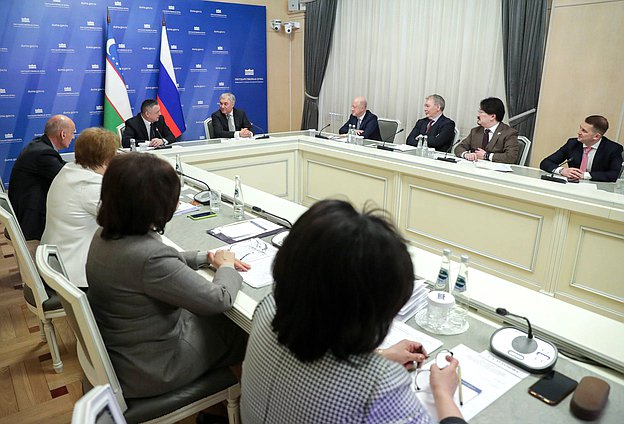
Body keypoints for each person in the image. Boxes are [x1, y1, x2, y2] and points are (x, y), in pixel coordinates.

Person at [241, 200, 466, 424]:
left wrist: (379, 356)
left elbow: (317, 353)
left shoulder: (266, 309)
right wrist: (443, 393)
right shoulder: (379, 386)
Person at [86, 153, 250, 398]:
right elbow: (219, 298)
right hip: (154, 368)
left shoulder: (105, 234)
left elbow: (156, 264)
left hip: (127, 352)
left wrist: (205, 257)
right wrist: (225, 265)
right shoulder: (150, 257)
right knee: (245, 331)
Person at [41, 128, 118, 289]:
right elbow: (126, 222)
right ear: (105, 160)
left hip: (56, 260)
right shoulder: (89, 187)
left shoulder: (70, 171)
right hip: (74, 274)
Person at [8, 114, 75, 240]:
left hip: (25, 209)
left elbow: (61, 166)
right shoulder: (43, 153)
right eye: (73, 133)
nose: (73, 137)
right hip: (32, 221)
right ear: (63, 134)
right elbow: (67, 178)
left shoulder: (39, 145)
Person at [540, 115, 623, 182]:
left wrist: (584, 175)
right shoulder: (572, 144)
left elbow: (614, 175)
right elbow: (545, 163)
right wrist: (562, 170)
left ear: (596, 136)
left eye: (584, 131)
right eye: (580, 128)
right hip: (571, 187)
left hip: (597, 191)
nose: (579, 132)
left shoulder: (613, 149)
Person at [454, 97, 519, 164]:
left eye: (481, 112)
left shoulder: (509, 133)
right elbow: (459, 147)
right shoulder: (475, 131)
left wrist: (487, 156)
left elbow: (511, 157)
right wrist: (466, 154)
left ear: (492, 117)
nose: (477, 115)